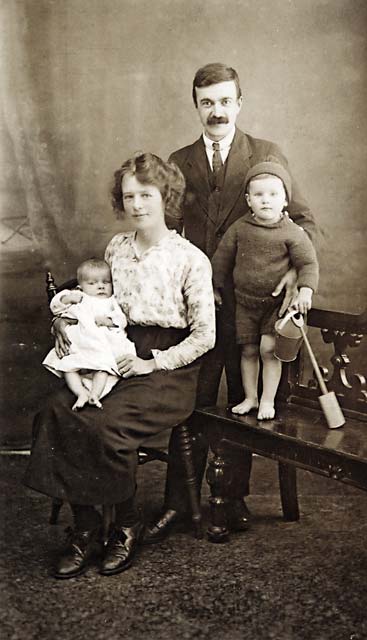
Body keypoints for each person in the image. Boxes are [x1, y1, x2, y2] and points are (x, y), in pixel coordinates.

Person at [143, 62, 317, 543]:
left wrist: (290, 271)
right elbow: (163, 228)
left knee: (245, 399)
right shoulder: (178, 160)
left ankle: (232, 497)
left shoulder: (266, 154)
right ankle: (181, 503)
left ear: (239, 102)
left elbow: (305, 223)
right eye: (206, 102)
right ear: (195, 106)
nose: (216, 111)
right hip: (197, 305)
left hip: (254, 305)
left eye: (224, 101)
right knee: (194, 401)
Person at [24, 152, 215, 579]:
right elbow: (96, 301)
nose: (137, 205)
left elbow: (205, 336)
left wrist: (153, 363)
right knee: (59, 408)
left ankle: (126, 524)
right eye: (129, 196)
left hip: (166, 367)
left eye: (146, 194)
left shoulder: (190, 259)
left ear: (166, 197)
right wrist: (62, 318)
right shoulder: (117, 248)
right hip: (114, 351)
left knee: (105, 422)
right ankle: (88, 527)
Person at [212, 161, 319, 420]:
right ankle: (251, 397)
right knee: (248, 350)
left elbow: (308, 263)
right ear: (248, 200)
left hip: (275, 306)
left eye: (273, 195)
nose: (266, 201)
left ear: (285, 200)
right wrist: (213, 287)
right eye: (258, 195)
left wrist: (305, 291)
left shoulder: (293, 233)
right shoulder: (239, 228)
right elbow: (221, 260)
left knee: (268, 350)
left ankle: (267, 401)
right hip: (245, 304)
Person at [43, 258, 136, 411]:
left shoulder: (111, 302)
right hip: (82, 341)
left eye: (106, 282)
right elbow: (56, 306)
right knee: (69, 366)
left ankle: (95, 394)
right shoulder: (79, 297)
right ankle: (81, 393)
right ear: (80, 287)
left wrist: (109, 321)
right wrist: (68, 298)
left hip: (103, 342)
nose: (100, 286)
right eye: (92, 283)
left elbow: (121, 319)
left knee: (103, 367)